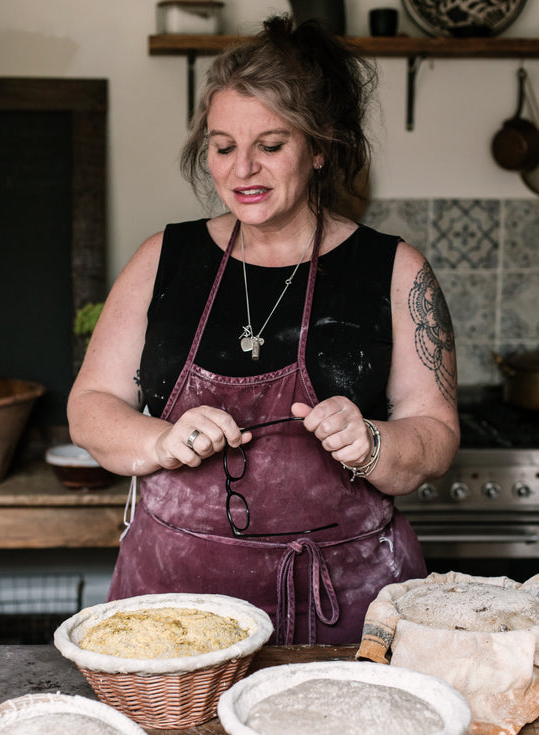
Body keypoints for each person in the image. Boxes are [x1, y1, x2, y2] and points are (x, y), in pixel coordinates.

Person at [67, 15, 459, 645]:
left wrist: (374, 445)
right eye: (223, 147)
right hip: (172, 609)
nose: (243, 169)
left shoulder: (394, 270)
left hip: (344, 607)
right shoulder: (162, 258)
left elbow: (436, 436)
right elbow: (89, 409)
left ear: (320, 148)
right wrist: (162, 440)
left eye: (271, 145)